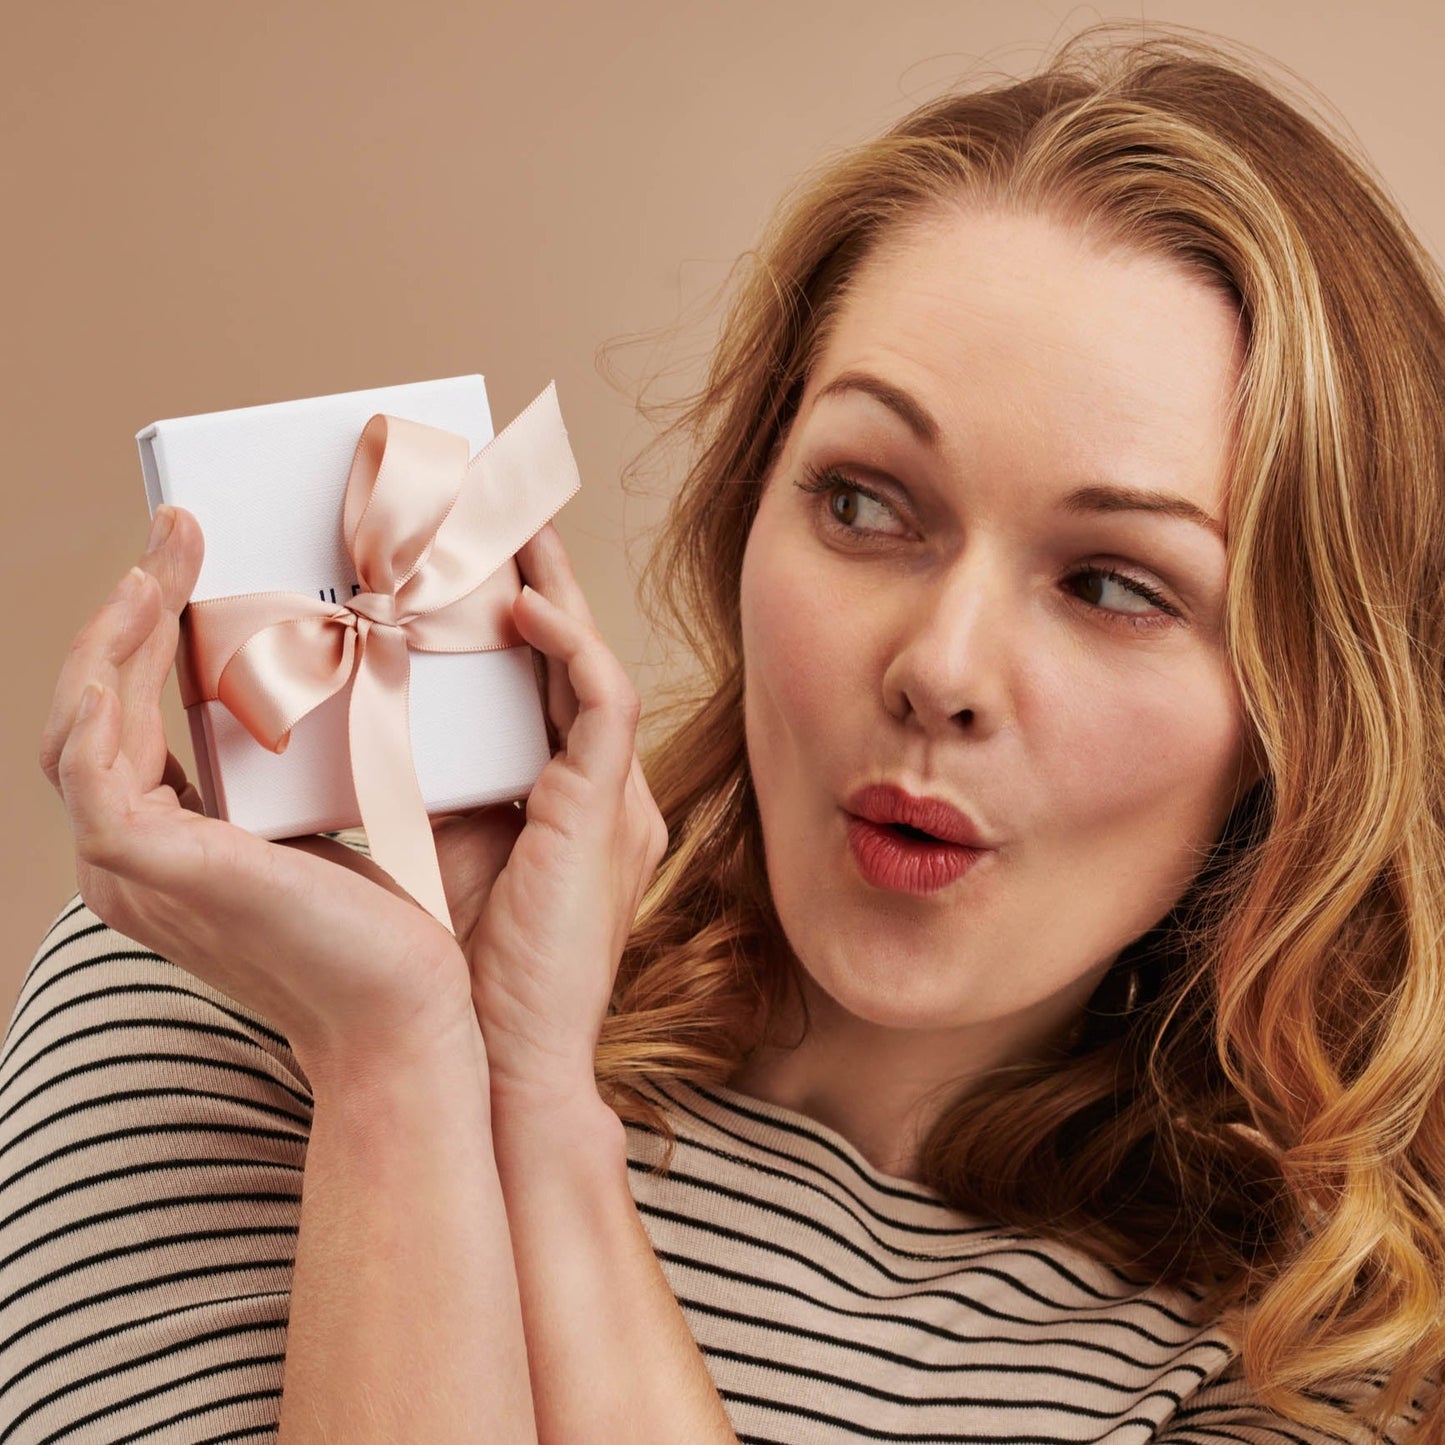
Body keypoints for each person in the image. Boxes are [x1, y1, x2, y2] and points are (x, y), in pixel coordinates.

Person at [6, 20, 1444, 1443]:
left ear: (1304, 710)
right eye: (865, 501)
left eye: (1115, 585)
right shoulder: (231, 989)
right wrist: (389, 1060)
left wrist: (532, 1107)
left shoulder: (1313, 1366)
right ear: (742, 514)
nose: (939, 668)